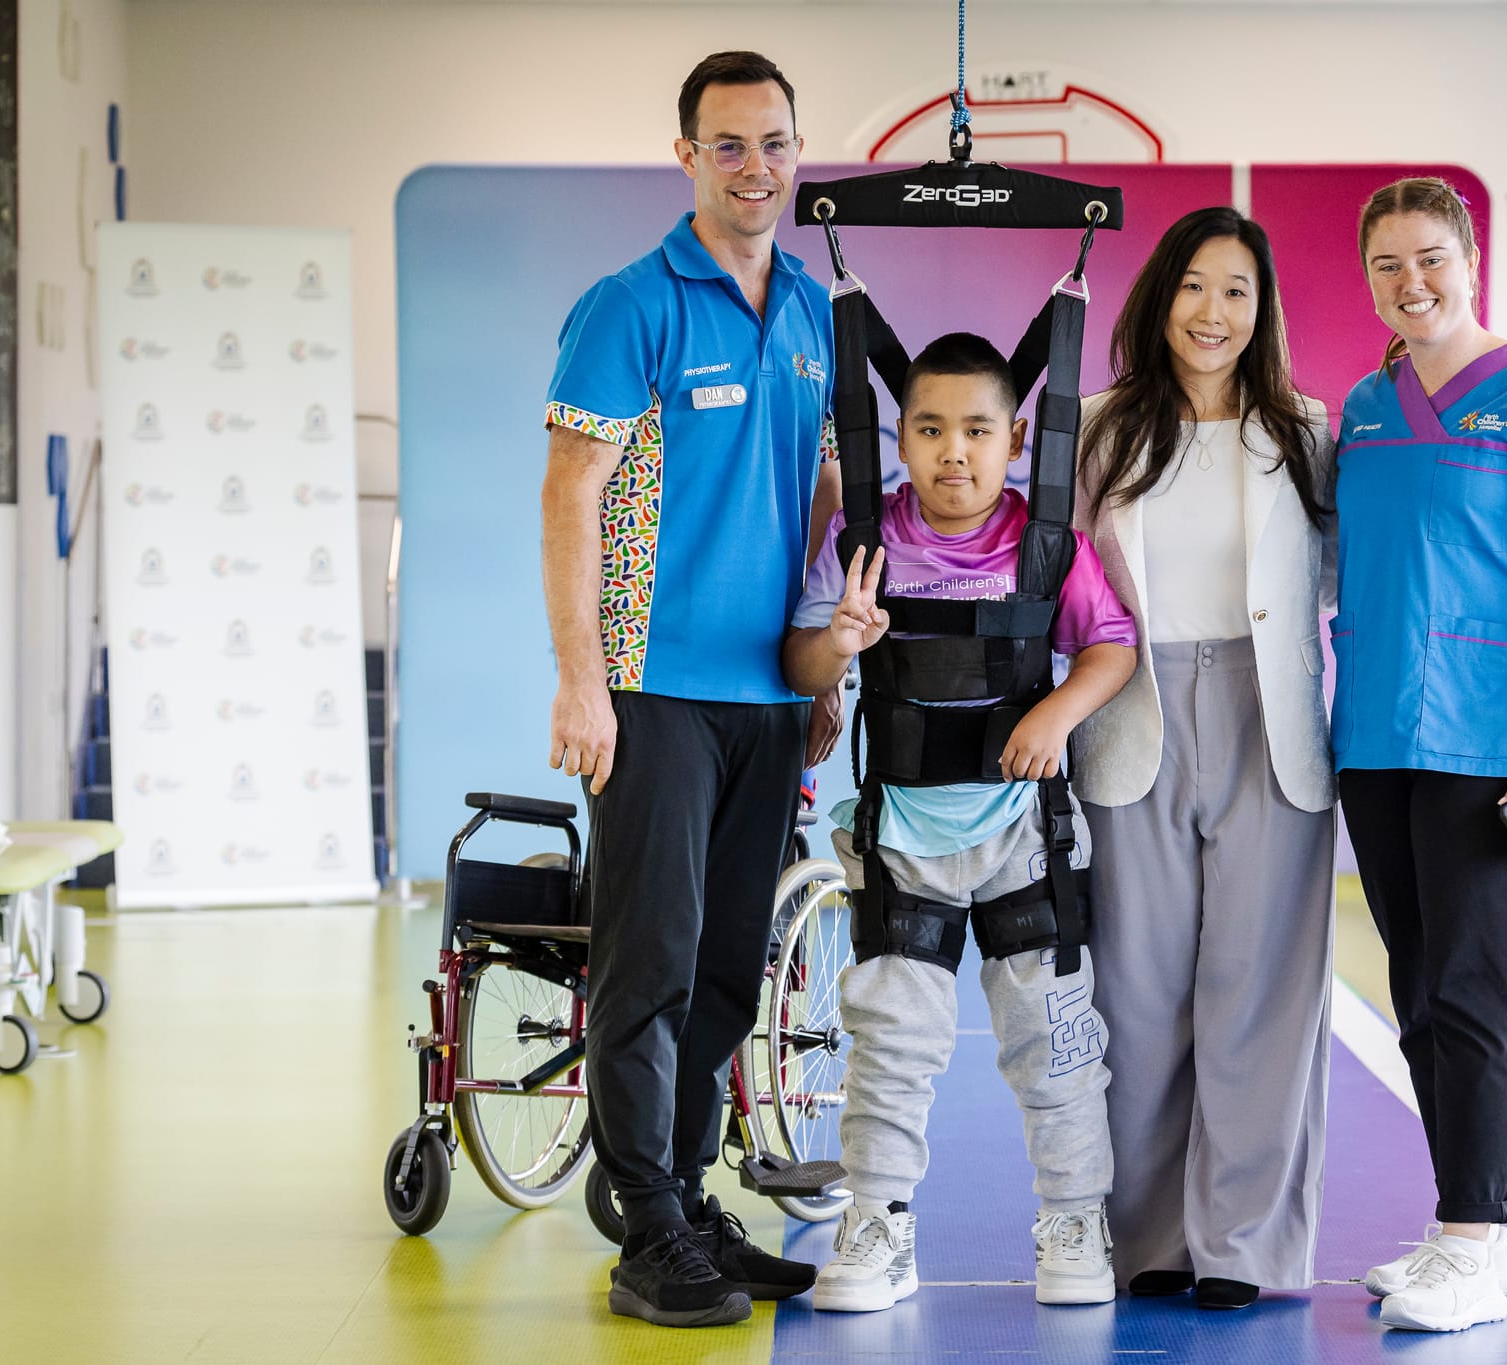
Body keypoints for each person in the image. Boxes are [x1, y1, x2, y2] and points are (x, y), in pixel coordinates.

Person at [539, 50, 844, 1329]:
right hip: (650, 690)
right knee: (648, 962)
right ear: (686, 156)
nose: (756, 167)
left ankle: (688, 1195)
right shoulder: (629, 304)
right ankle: (645, 1233)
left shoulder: (817, 311)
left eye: (774, 143)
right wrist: (581, 682)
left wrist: (821, 658)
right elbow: (570, 495)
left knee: (728, 964)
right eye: (728, 144)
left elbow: (827, 487)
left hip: (768, 697)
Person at [783, 332, 1137, 1313]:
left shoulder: (1044, 543)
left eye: (976, 430)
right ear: (898, 435)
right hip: (902, 835)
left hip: (1025, 833)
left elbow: (1110, 645)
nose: (952, 453)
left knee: (1053, 1038)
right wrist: (836, 643)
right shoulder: (864, 543)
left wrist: (1056, 713)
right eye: (928, 429)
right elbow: (803, 667)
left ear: (1015, 436)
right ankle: (878, 1225)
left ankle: (1073, 1218)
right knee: (891, 1042)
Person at [1330, 177, 1507, 1334]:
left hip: (1495, 749)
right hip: (1377, 745)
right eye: (1388, 266)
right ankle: (1461, 1230)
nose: (1412, 284)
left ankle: (1476, 1236)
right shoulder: (1361, 405)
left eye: (1431, 260)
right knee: (1416, 998)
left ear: (1472, 258)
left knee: (1477, 996)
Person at [1070, 206, 1339, 1311]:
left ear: (1261, 307)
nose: (1212, 313)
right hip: (1129, 716)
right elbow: (1065, 587)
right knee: (1133, 998)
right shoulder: (1093, 428)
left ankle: (1241, 1246)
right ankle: (1147, 1242)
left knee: (1262, 994)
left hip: (1267, 717)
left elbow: (1333, 583)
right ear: (1156, 297)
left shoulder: (1306, 430)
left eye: (1235, 290)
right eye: (1191, 286)